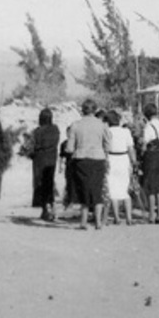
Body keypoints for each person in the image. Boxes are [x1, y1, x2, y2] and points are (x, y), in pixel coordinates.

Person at [66, 99, 111, 230]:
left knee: (83, 189)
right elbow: (108, 144)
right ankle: (98, 222)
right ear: (95, 110)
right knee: (97, 189)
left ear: (82, 110)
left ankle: (83, 222)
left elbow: (69, 148)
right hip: (98, 158)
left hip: (81, 159)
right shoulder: (102, 125)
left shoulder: (75, 125)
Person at [105, 110, 136, 225]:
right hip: (124, 159)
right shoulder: (126, 131)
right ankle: (129, 217)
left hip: (111, 158)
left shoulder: (107, 131)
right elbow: (131, 148)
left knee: (113, 189)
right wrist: (134, 162)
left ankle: (116, 217)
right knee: (125, 188)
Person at [31, 108, 60, 221]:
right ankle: (52, 207)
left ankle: (45, 209)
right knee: (49, 182)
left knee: (40, 184)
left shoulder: (37, 131)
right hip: (51, 159)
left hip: (39, 160)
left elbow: (34, 146)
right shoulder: (55, 129)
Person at [140, 103, 159, 224]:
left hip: (150, 157)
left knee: (150, 188)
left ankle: (151, 215)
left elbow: (145, 144)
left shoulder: (148, 126)